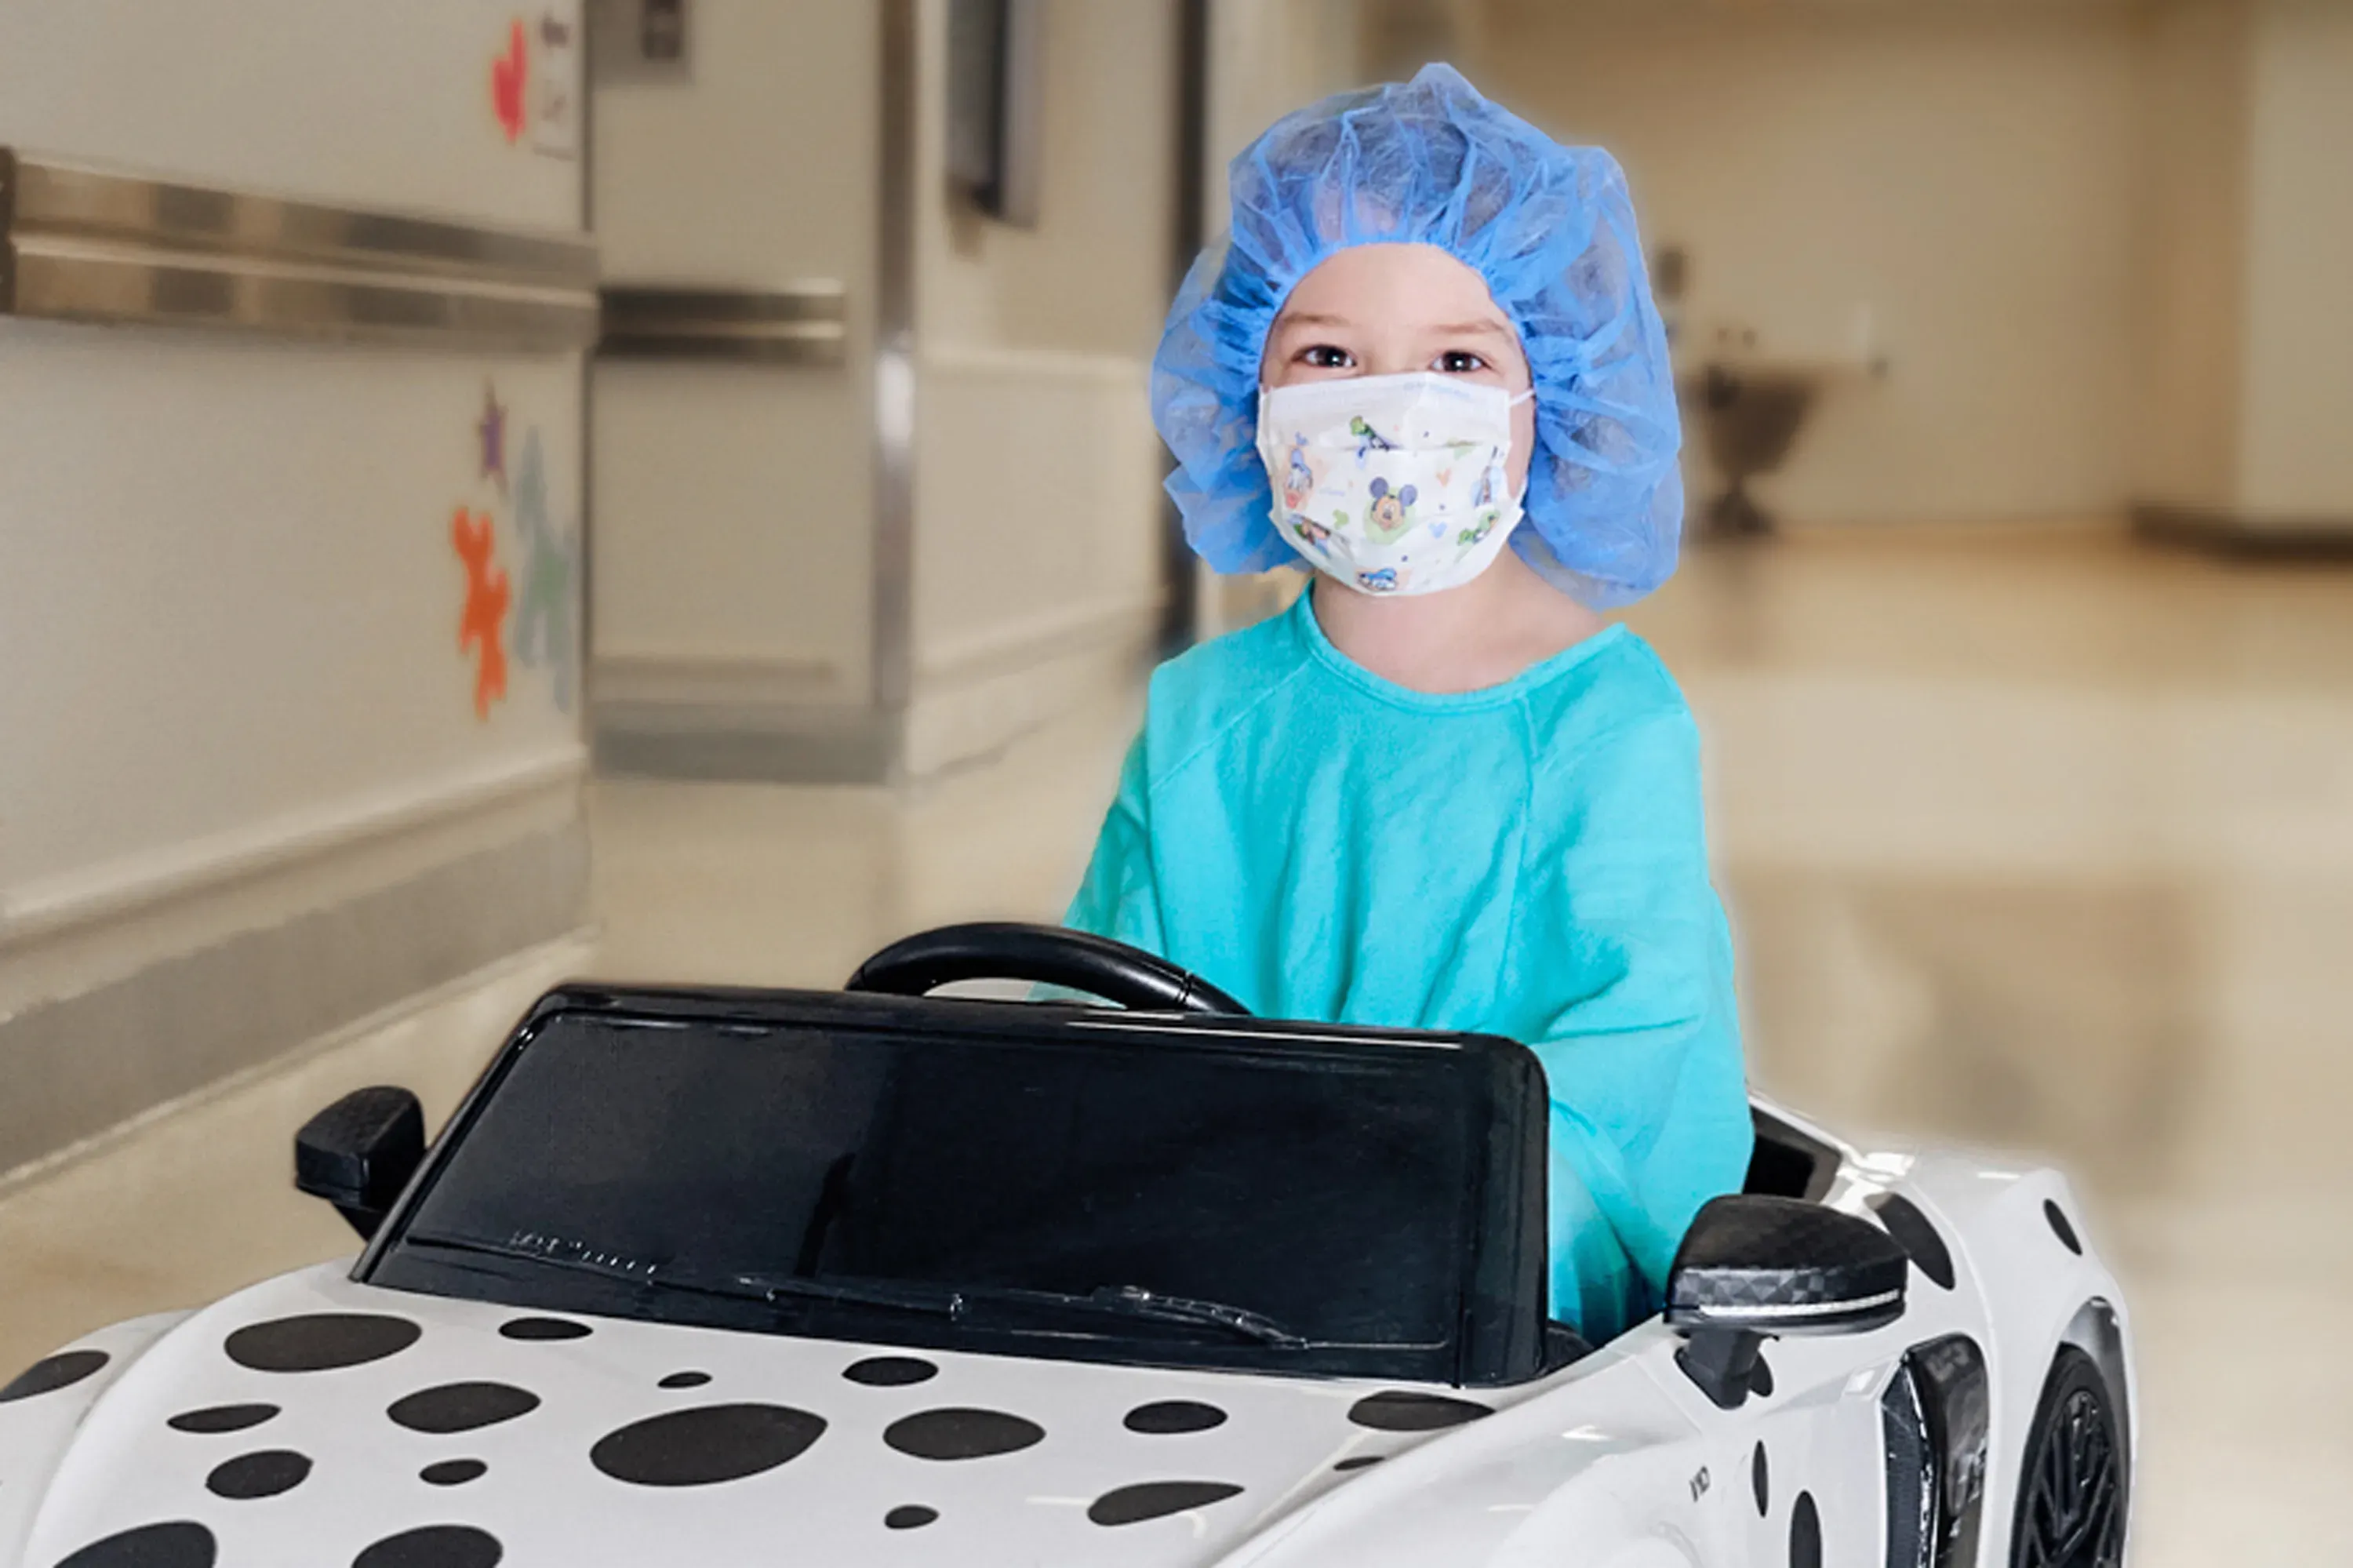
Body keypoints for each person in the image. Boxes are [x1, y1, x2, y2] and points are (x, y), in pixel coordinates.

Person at [1064, 64, 1751, 1341]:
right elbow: (1096, 1024)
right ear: (1249, 399)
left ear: (1549, 405)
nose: (1387, 411)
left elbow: (1636, 1068)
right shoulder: (1201, 720)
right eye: (1329, 355)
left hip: (1492, 1310)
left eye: (1455, 359)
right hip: (1208, 1288)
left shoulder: (1609, 727)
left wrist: (1392, 1209)